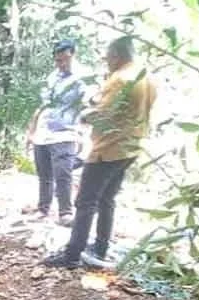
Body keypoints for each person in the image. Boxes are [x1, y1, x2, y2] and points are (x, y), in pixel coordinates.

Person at [43, 36, 157, 269]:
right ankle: (100, 247)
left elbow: (102, 117)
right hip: (130, 146)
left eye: (107, 58)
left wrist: (85, 114)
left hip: (108, 149)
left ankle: (72, 254)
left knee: (85, 201)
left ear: (116, 56)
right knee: (107, 198)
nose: (106, 62)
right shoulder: (144, 76)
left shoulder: (119, 79)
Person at [26, 39, 89, 226]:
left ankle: (65, 213)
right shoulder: (52, 77)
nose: (60, 64)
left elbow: (88, 107)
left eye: (64, 60)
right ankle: (43, 209)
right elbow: (42, 106)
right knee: (44, 174)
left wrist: (83, 133)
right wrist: (31, 132)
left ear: (73, 55)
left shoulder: (82, 78)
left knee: (63, 173)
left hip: (65, 133)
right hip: (44, 132)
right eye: (57, 60)